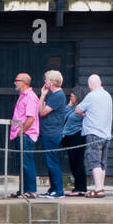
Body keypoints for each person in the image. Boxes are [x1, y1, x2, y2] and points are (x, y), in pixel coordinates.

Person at [74, 73, 113, 196]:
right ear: (100, 83)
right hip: (106, 133)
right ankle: (101, 186)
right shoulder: (107, 95)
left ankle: (98, 188)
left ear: (90, 85)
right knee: (102, 162)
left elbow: (78, 109)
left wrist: (84, 114)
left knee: (94, 161)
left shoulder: (91, 96)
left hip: (94, 132)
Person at [38, 70, 68, 198]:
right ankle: (53, 188)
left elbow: (42, 112)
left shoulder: (58, 95)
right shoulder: (52, 94)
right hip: (47, 131)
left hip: (52, 132)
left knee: (52, 162)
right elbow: (41, 109)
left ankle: (59, 190)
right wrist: (44, 95)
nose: (44, 82)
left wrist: (42, 96)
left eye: (46, 80)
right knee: (50, 162)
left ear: (51, 82)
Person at [9, 73, 40, 197]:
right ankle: (23, 190)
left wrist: (21, 132)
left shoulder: (30, 97)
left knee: (27, 162)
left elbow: (31, 118)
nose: (15, 83)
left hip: (26, 135)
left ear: (23, 82)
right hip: (21, 134)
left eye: (16, 80)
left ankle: (30, 190)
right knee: (21, 163)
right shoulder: (22, 96)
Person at [62, 87, 89, 195]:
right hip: (70, 136)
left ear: (77, 96)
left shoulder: (82, 108)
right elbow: (63, 115)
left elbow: (86, 118)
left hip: (78, 136)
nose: (70, 97)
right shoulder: (73, 107)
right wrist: (69, 104)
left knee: (78, 162)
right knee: (73, 162)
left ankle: (81, 188)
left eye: (72, 96)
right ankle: (77, 187)